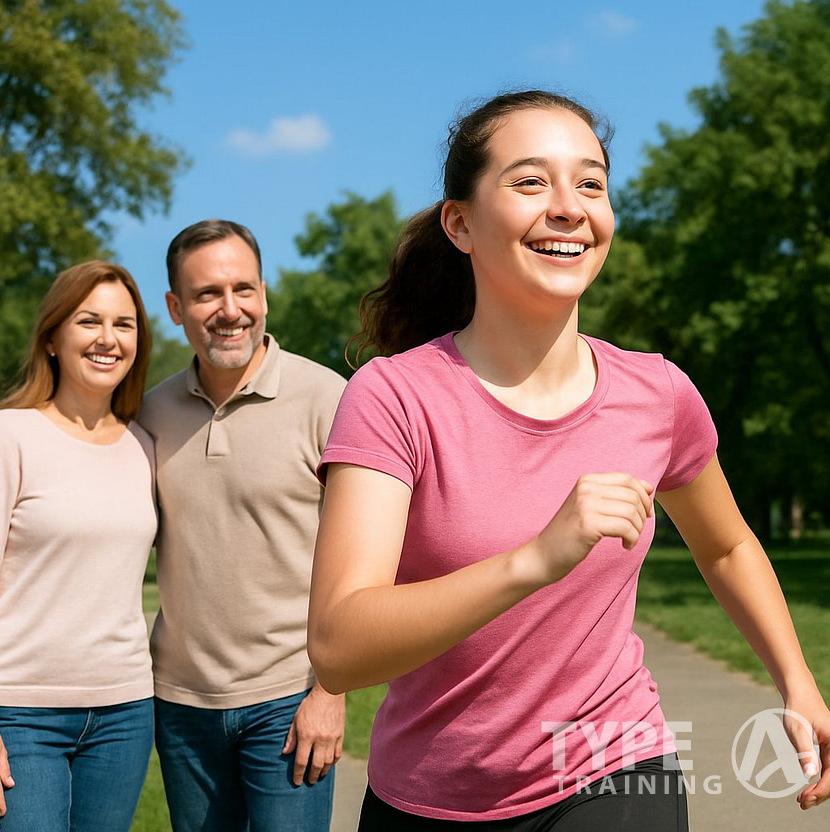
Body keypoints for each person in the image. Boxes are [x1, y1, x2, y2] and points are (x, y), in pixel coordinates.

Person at [307, 90, 830, 830]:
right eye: (530, 182)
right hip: (430, 797)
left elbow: (728, 544)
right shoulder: (393, 397)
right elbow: (339, 645)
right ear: (459, 223)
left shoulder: (659, 393)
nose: (569, 207)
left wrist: (797, 681)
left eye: (591, 183)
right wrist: (536, 557)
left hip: (613, 767)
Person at [139, 219, 347, 832]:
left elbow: (369, 563)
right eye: (206, 294)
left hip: (290, 702)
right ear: (176, 307)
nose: (229, 310)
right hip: (180, 709)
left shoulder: (328, 400)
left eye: (243, 290)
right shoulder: (150, 413)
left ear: (264, 293)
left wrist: (331, 694)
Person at [0, 261, 156, 832]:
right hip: (20, 713)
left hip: (125, 712)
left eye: (125, 323)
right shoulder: (9, 436)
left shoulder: (145, 444)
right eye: (89, 321)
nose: (109, 339)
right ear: (52, 338)